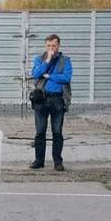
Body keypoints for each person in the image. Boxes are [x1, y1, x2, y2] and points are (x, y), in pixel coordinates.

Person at [30, 34, 73, 172]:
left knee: (57, 132)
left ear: (58, 45)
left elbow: (66, 77)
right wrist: (47, 61)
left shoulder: (65, 60)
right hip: (41, 99)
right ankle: (39, 160)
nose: (51, 48)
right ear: (45, 46)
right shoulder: (39, 59)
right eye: (48, 46)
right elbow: (36, 74)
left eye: (53, 45)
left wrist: (49, 76)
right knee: (40, 131)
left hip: (58, 99)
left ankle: (58, 161)